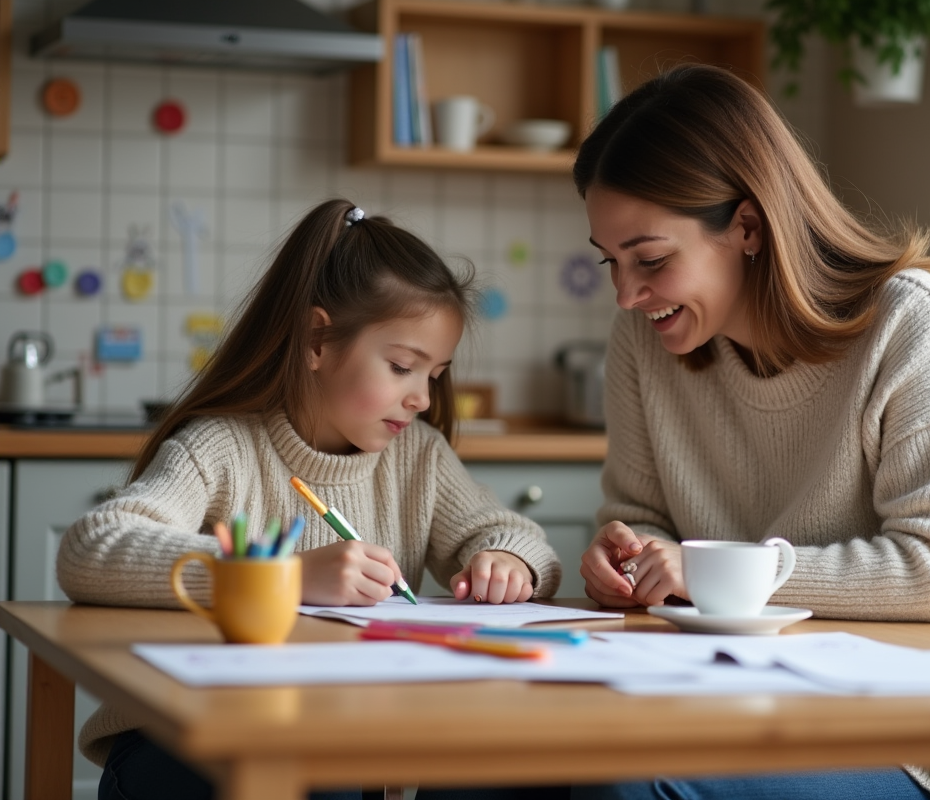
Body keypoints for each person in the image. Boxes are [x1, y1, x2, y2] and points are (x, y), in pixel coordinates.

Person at [571, 64, 930, 800]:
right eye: (611, 263)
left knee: (631, 787)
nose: (626, 295)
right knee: (493, 769)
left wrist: (723, 574)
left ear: (746, 225)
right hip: (737, 700)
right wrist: (628, 554)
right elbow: (643, 518)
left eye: (650, 260)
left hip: (917, 732)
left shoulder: (908, 321)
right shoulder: (644, 343)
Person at [57, 198, 563, 800]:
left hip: (338, 736)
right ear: (317, 340)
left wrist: (508, 562)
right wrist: (282, 578)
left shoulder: (417, 458)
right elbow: (92, 549)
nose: (423, 399)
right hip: (184, 737)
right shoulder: (221, 449)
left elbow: (513, 537)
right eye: (403, 366)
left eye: (435, 374)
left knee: (502, 769)